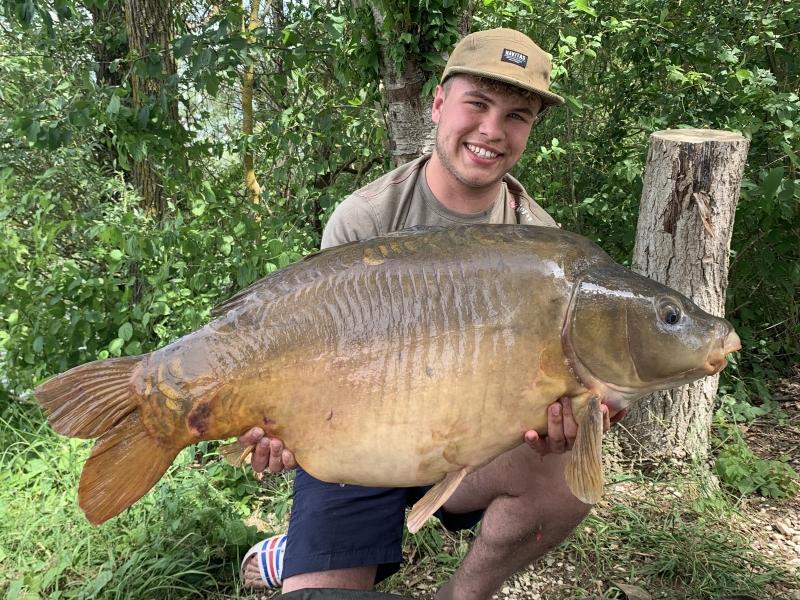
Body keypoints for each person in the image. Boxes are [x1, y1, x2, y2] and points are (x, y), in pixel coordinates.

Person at [238, 28, 626, 599]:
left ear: (530, 129)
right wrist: (276, 422)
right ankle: (305, 553)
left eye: (516, 115)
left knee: (566, 479)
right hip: (360, 435)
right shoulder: (365, 219)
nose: (493, 131)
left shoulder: (544, 249)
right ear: (440, 104)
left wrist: (568, 421)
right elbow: (318, 356)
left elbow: (571, 390)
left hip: (471, 442)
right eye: (478, 104)